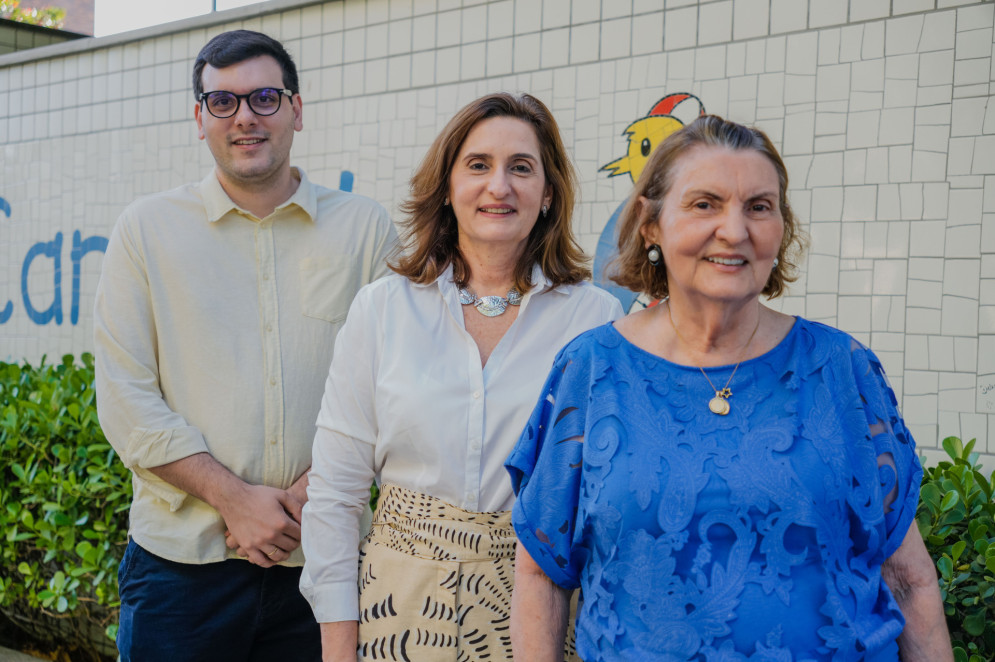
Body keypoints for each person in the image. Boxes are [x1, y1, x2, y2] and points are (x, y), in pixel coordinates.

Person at [506, 115, 952, 662]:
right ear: (651, 224)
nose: (735, 230)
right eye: (705, 204)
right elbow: (542, 575)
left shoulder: (841, 369)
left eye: (759, 207)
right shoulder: (591, 369)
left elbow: (908, 578)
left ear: (780, 229)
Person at [93, 30, 396, 661]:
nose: (245, 118)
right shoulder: (145, 231)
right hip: (180, 571)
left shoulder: (365, 230)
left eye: (264, 97)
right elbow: (125, 399)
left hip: (327, 565)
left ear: (296, 109)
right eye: (223, 102)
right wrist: (235, 500)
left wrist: (305, 501)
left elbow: (398, 387)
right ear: (200, 118)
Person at [299, 92, 623, 661]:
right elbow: (336, 492)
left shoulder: (595, 319)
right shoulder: (382, 309)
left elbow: (606, 499)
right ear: (447, 187)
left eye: (521, 168)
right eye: (478, 165)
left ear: (548, 194)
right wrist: (338, 648)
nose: (499, 186)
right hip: (396, 607)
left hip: (536, 608)